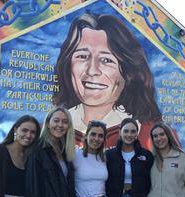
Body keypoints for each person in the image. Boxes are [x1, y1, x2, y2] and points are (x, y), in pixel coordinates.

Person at [53, 13, 162, 147]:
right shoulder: (51, 130)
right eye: (82, 56)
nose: (92, 70)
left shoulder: (153, 135)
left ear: (128, 71)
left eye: (106, 60)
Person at [25, 107, 77, 197]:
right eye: (56, 120)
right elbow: (33, 193)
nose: (60, 125)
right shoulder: (37, 150)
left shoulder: (65, 152)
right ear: (48, 124)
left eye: (65, 122)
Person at [105, 118, 154, 197]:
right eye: (126, 131)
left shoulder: (146, 155)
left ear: (137, 133)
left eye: (133, 131)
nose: (129, 135)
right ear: (120, 132)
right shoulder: (109, 155)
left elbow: (150, 180)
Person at [146, 122, 185, 197]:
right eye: (155, 136)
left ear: (168, 135)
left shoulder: (183, 158)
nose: (159, 138)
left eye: (162, 134)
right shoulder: (150, 159)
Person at [73, 120, 110, 197]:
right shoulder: (75, 156)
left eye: (100, 136)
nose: (96, 139)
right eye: (93, 134)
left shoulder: (103, 158)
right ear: (86, 136)